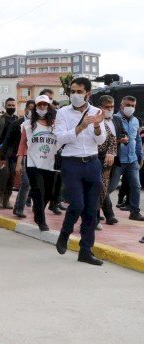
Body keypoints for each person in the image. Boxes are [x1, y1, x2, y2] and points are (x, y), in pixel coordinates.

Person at [54, 77, 106, 266]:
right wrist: (80, 128)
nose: (75, 95)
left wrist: (98, 126)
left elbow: (101, 142)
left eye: (79, 91)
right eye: (72, 91)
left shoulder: (96, 112)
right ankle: (65, 234)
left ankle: (86, 250)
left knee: (92, 210)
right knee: (76, 205)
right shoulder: (62, 113)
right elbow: (60, 138)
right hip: (71, 163)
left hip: (92, 163)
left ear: (88, 94)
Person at [16, 95, 59, 231]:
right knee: (38, 191)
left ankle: (37, 208)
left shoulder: (56, 124)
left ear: (49, 106)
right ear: (35, 107)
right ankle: (41, 220)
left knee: (49, 193)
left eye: (45, 105)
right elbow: (22, 144)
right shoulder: (28, 125)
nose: (42, 107)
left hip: (51, 163)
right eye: (39, 105)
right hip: (33, 163)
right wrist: (19, 162)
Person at [107, 96, 144, 221]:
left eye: (133, 105)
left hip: (132, 159)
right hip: (118, 160)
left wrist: (141, 156)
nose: (130, 108)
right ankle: (96, 209)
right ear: (121, 105)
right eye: (128, 105)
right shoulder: (114, 119)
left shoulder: (136, 121)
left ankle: (134, 212)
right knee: (110, 187)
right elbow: (108, 139)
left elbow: (137, 139)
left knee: (136, 186)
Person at [6, 99, 36, 218]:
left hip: (37, 158)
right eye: (30, 108)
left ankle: (19, 207)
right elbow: (22, 144)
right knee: (26, 183)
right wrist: (19, 162)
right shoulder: (24, 125)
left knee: (29, 184)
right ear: (25, 109)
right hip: (25, 157)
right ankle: (19, 208)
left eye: (34, 109)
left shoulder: (42, 124)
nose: (32, 111)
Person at [97, 95, 120, 227]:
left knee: (104, 188)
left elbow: (112, 140)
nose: (110, 109)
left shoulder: (115, 120)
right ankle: (99, 217)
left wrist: (111, 152)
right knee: (97, 188)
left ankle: (105, 214)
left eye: (112, 106)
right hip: (91, 159)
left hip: (108, 161)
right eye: (107, 107)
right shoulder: (94, 119)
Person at [0, 98, 18, 209]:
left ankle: (6, 201)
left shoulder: (17, 120)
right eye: (9, 105)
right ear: (5, 106)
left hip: (14, 154)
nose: (11, 107)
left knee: (12, 176)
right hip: (1, 153)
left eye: (13, 105)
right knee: (3, 175)